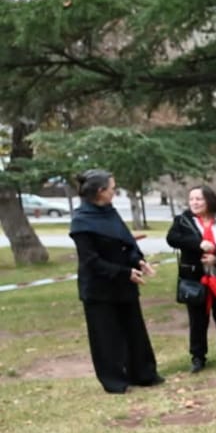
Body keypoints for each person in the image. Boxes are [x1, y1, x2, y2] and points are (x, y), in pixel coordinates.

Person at [69, 169, 164, 394]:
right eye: (112, 188)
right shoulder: (81, 221)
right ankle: (114, 380)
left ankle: (143, 374)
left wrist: (138, 261)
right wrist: (124, 272)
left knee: (134, 330)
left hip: (125, 283)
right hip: (99, 287)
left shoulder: (110, 212)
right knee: (106, 335)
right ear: (100, 191)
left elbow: (126, 242)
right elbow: (91, 261)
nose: (114, 191)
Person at [165, 185, 216, 372]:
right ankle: (198, 357)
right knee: (197, 320)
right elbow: (172, 239)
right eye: (191, 199)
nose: (194, 202)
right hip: (195, 279)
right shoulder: (183, 221)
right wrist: (199, 244)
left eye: (199, 199)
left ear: (209, 200)